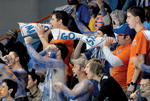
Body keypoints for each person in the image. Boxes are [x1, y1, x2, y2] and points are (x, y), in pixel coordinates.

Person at [24, 36, 69, 101]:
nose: (49, 52)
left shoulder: (60, 64)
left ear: (58, 52)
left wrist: (28, 43)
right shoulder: (50, 68)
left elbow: (37, 59)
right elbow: (32, 63)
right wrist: (46, 50)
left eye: (51, 49)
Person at [36, 11, 74, 77]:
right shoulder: (57, 35)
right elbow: (46, 51)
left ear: (60, 21)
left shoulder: (65, 35)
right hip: (53, 70)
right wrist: (45, 35)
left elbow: (51, 50)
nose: (50, 22)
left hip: (60, 73)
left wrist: (41, 36)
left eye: (53, 19)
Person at [102, 23, 136, 94]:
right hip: (117, 85)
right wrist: (103, 45)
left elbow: (114, 62)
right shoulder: (121, 47)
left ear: (127, 37)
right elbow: (108, 57)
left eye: (119, 35)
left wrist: (105, 47)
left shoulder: (130, 48)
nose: (116, 36)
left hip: (123, 88)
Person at [126, 6, 150, 99]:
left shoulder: (142, 35)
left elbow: (141, 61)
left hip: (138, 83)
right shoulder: (138, 35)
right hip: (136, 81)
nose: (127, 20)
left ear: (137, 18)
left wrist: (132, 83)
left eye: (129, 17)